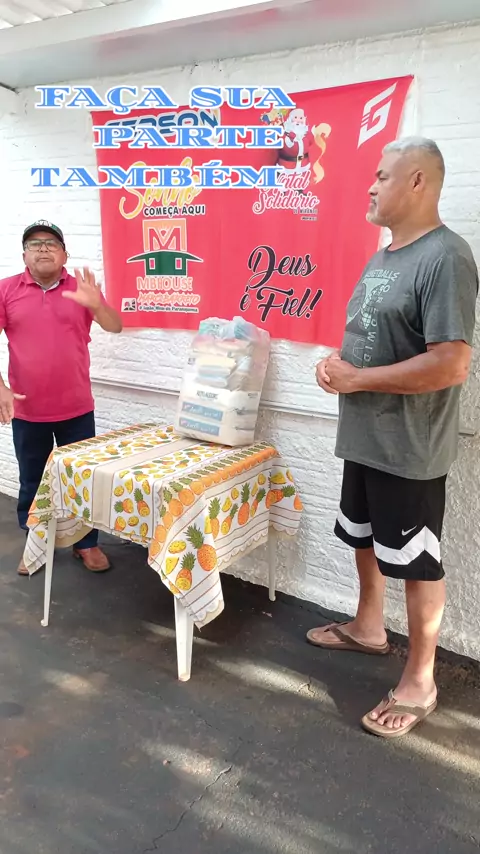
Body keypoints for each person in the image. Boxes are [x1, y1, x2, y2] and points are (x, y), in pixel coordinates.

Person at [308, 137, 478, 739]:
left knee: (416, 562)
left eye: (383, 176)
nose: (371, 186)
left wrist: (358, 379)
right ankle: (368, 627)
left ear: (417, 182)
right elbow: (373, 341)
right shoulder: (384, 257)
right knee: (363, 537)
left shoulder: (446, 257)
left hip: (409, 448)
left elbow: (451, 364)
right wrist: (336, 365)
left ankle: (421, 680)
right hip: (365, 436)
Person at [0, 220, 123, 575]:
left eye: (51, 243)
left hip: (76, 407)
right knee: (33, 482)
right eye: (34, 244)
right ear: (24, 255)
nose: (42, 248)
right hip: (28, 410)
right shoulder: (6, 290)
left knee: (82, 480)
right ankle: (36, 545)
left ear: (65, 255)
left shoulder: (80, 290)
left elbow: (114, 325)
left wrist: (97, 305)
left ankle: (87, 544)